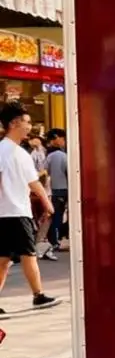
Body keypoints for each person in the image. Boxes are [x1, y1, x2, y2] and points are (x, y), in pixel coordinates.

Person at [0, 101, 57, 313]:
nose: (29, 126)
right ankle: (38, 295)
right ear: (14, 123)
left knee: (4, 260)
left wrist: (46, 202)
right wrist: (48, 203)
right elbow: (32, 183)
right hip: (14, 212)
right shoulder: (10, 152)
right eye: (27, 122)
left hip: (10, 212)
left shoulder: (13, 151)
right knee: (28, 253)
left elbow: (30, 182)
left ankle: (37, 295)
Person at [44, 128, 67, 255]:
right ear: (57, 138)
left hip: (53, 190)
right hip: (63, 189)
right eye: (62, 139)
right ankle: (56, 241)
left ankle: (54, 240)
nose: (63, 142)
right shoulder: (62, 156)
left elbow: (44, 171)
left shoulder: (49, 156)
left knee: (56, 215)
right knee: (58, 216)